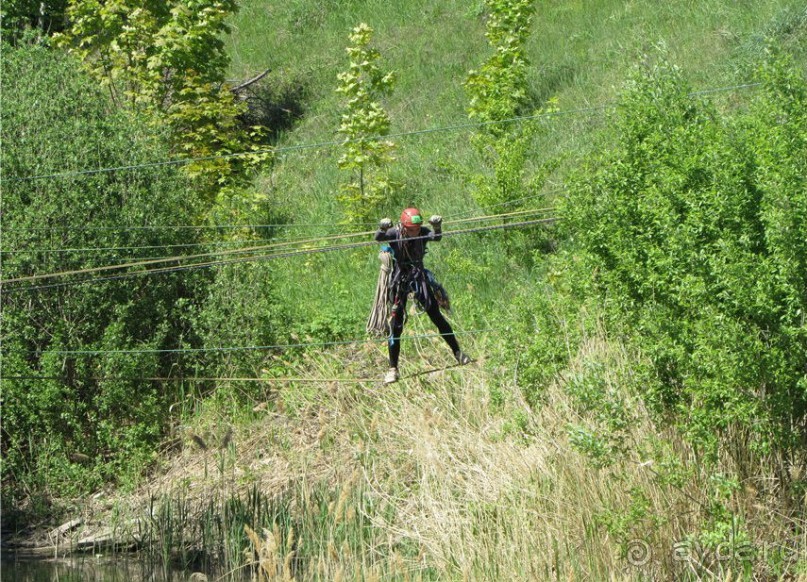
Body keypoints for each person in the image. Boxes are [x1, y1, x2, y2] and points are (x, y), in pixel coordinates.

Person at [375, 207, 471, 383]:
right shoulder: (395, 233)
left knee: (436, 316)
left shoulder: (423, 232)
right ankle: (393, 368)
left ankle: (458, 352)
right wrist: (381, 228)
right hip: (400, 279)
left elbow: (436, 237)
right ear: (404, 227)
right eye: (412, 229)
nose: (416, 231)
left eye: (418, 228)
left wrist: (437, 227)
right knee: (396, 324)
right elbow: (379, 238)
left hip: (419, 277)